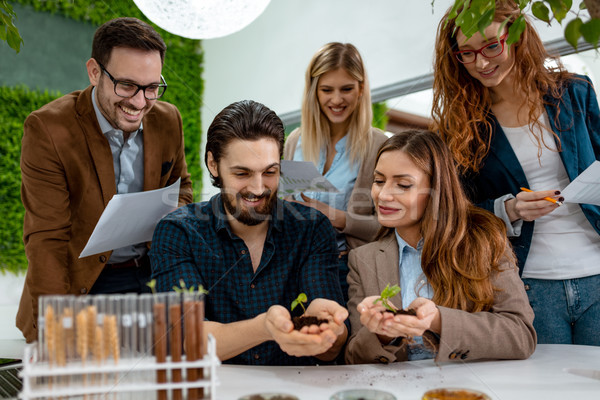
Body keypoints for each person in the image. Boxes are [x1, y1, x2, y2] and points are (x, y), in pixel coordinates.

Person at [431, 0, 600, 345]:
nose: (481, 62)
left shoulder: (574, 92)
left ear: (518, 35)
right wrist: (509, 210)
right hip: (528, 282)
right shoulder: (461, 126)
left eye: (492, 46)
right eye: (466, 53)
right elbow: (460, 209)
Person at [16, 17, 193, 343]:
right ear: (95, 72)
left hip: (148, 280)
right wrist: (55, 330)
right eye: (127, 85)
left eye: (152, 87)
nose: (140, 103)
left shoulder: (169, 119)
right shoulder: (48, 129)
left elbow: (182, 186)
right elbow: (47, 241)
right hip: (81, 288)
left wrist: (165, 216)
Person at [150, 100, 348, 366]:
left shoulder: (312, 229)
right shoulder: (178, 232)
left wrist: (328, 331)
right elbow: (187, 340)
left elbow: (331, 350)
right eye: (242, 173)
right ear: (213, 163)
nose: (257, 188)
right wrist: (264, 328)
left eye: (270, 172)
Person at [345, 131, 536, 364]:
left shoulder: (483, 240)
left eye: (403, 185)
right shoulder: (362, 260)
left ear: (436, 190)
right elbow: (353, 357)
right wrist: (382, 334)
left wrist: (437, 320)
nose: (383, 195)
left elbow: (520, 335)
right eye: (379, 181)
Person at [283, 42, 388, 301]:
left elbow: (393, 226)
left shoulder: (378, 146)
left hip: (347, 270)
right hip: (293, 268)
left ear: (361, 89)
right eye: (327, 90)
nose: (337, 99)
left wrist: (340, 219)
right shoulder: (295, 141)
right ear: (314, 92)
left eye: (347, 89)